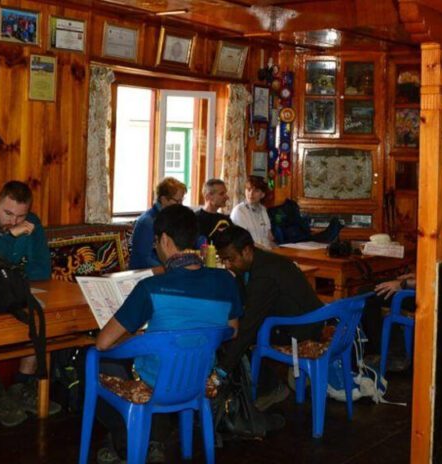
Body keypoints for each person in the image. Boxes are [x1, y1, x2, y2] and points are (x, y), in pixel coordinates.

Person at [94, 204, 242, 464]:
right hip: (199, 377)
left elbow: (104, 342)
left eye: (155, 243)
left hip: (156, 380)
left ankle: (126, 441)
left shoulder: (151, 287)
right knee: (163, 357)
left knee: (97, 361)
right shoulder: (226, 281)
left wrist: (144, 338)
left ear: (164, 240)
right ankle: (155, 438)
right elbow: (231, 331)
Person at [0, 180, 60, 427]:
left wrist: (21, 285)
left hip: (15, 291)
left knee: (40, 316)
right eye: (7, 213)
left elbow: (41, 268)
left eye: (20, 216)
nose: (13, 221)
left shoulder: (33, 224)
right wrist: (8, 236)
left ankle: (20, 386)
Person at [360, 185, 442, 368]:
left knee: (369, 294)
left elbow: (436, 281)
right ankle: (388, 349)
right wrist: (413, 276)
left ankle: (379, 354)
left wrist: (402, 284)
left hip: (439, 299)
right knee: (381, 287)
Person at [213, 224, 323, 410]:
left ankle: (270, 388)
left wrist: (221, 371)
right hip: (299, 320)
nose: (227, 265)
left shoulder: (265, 275)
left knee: (232, 339)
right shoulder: (257, 263)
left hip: (301, 331)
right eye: (223, 260)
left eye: (230, 259)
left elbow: (248, 325)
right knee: (236, 332)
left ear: (247, 250)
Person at [129, 177, 186, 270]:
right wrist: (171, 267)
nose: (181, 205)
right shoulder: (147, 222)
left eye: (182, 201)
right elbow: (143, 259)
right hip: (144, 273)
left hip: (163, 269)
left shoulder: (170, 216)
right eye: (178, 201)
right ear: (163, 199)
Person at [230, 176, 275, 249]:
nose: (251, 194)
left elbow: (269, 236)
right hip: (250, 252)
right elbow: (244, 241)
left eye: (256, 191)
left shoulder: (263, 209)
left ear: (262, 194)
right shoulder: (239, 211)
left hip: (266, 250)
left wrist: (278, 250)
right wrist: (266, 250)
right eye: (248, 190)